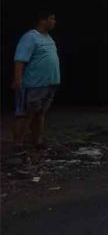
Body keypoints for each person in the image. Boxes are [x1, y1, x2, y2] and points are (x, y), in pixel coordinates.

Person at [12, 10, 60, 150]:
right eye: (52, 18)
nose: (54, 22)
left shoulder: (48, 37)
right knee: (25, 114)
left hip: (49, 83)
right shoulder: (29, 37)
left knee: (41, 113)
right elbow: (20, 60)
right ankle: (18, 143)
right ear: (42, 20)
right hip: (33, 84)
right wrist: (18, 80)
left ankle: (37, 141)